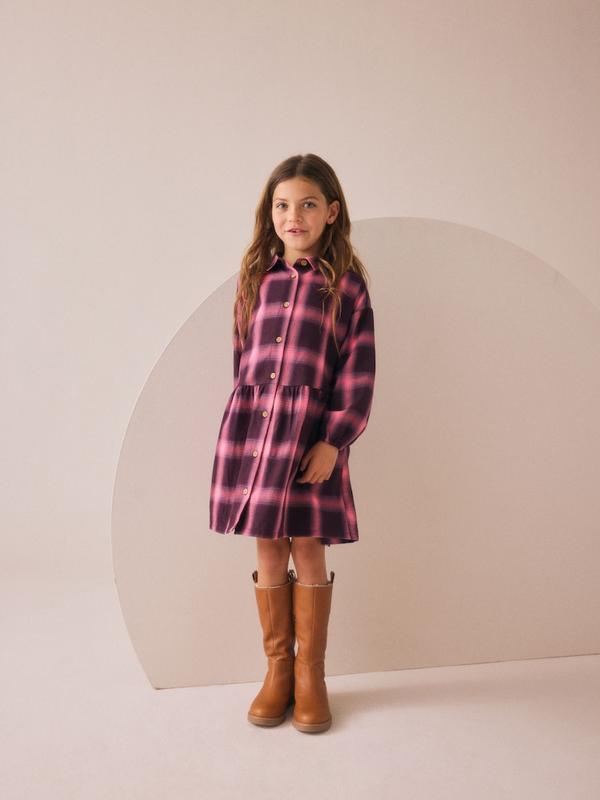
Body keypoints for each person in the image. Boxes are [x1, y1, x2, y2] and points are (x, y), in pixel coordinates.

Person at [208, 152, 376, 733]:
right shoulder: (256, 280)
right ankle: (278, 670)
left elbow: (358, 370)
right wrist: (246, 431)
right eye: (282, 205)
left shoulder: (346, 287)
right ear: (269, 213)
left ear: (332, 212)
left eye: (307, 204)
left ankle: (311, 675)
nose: (293, 216)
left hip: (310, 439)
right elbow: (243, 362)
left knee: (308, 546)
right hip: (258, 435)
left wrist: (334, 440)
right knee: (268, 548)